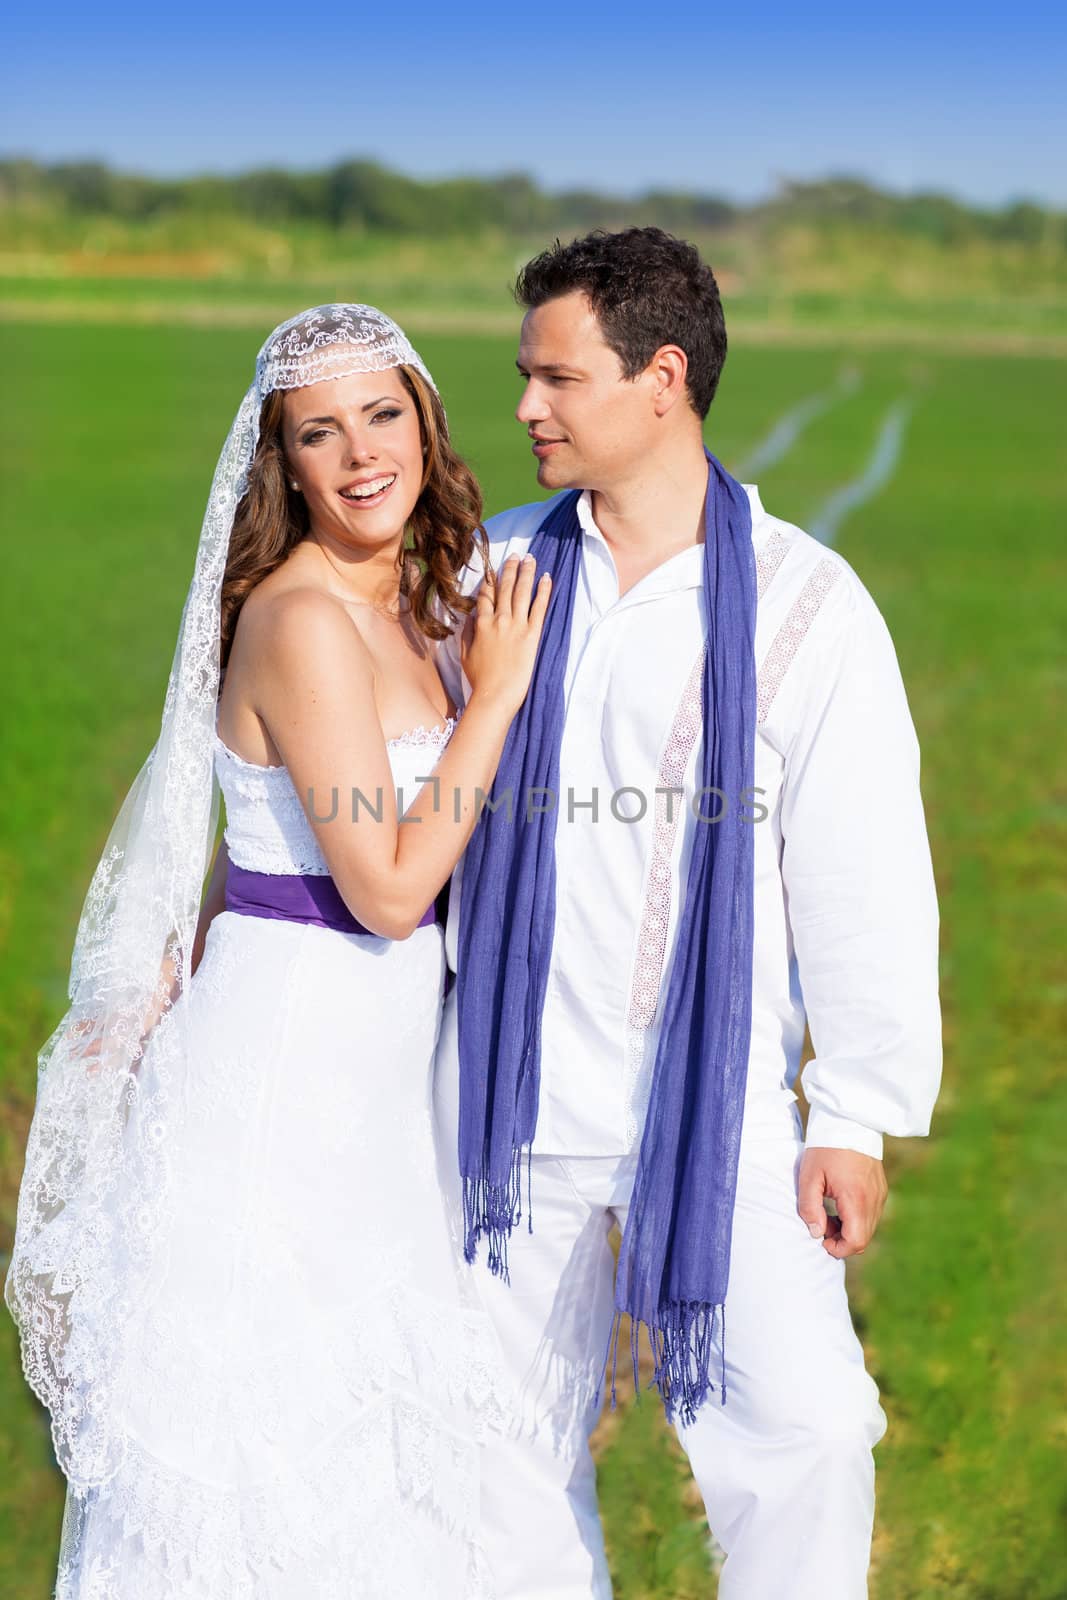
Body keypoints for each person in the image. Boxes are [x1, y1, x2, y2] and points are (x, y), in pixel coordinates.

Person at [5, 304, 550, 1599]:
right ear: (282, 462)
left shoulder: (419, 606)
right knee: (260, 1463)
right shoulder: (303, 619)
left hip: (382, 1086)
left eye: (383, 414)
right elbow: (391, 884)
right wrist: (503, 698)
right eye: (321, 430)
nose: (362, 453)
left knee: (381, 1471)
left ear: (425, 421)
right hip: (290, 1076)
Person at [433, 229, 943, 1599]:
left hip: (719, 1104)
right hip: (507, 1100)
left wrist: (854, 1113)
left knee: (812, 1435)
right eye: (524, 376)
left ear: (663, 379)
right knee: (493, 1444)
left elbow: (863, 868)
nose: (528, 407)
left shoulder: (804, 603)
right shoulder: (493, 575)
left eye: (559, 377)